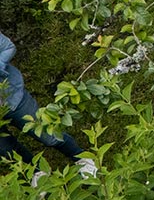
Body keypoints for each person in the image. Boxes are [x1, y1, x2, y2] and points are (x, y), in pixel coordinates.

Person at [0, 29, 95, 174]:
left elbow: (8, 47)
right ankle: (37, 174)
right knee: (8, 150)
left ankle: (83, 160)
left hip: (13, 98)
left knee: (49, 135)